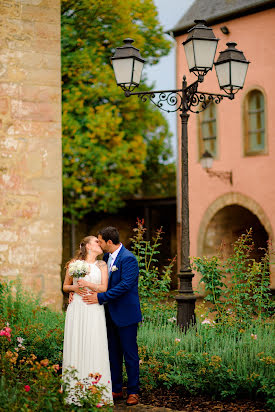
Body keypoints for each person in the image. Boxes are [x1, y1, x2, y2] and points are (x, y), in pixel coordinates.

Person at [82, 226, 142, 406]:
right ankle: (116, 389)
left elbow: (125, 286)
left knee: (130, 354)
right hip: (108, 314)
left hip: (126, 314)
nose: (98, 243)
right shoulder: (107, 258)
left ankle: (133, 391)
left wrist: (100, 297)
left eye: (100, 241)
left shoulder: (128, 259)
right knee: (113, 353)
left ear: (109, 242)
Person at [62, 235, 113, 405]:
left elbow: (104, 287)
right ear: (88, 246)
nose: (100, 244)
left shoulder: (102, 264)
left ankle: (95, 391)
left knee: (94, 343)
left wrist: (88, 285)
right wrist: (74, 288)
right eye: (96, 242)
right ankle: (75, 392)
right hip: (77, 307)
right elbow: (65, 286)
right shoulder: (74, 264)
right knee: (77, 342)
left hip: (93, 308)